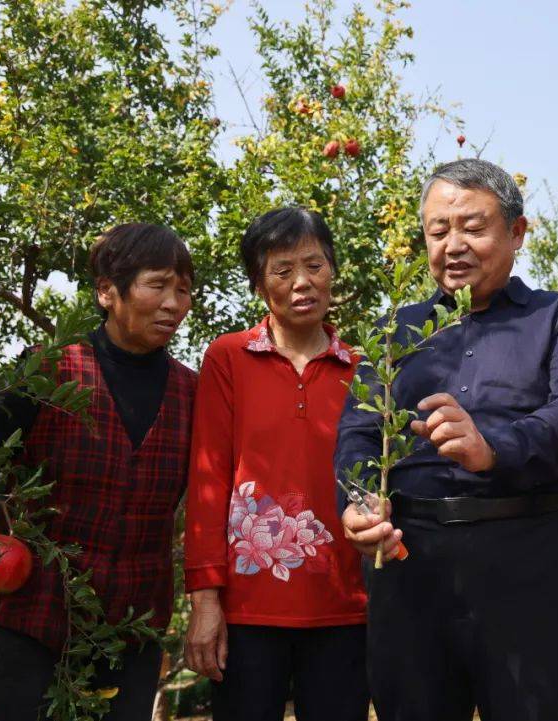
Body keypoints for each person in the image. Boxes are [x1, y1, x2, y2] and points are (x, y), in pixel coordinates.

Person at [335, 158, 558, 721]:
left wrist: (495, 447)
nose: (453, 245)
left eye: (473, 227)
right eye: (438, 231)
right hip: (411, 564)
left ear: (517, 232)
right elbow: (359, 432)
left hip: (528, 560)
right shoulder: (395, 333)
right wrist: (359, 501)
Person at [0, 223, 198, 721]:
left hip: (133, 632)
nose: (174, 304)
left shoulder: (193, 392)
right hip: (31, 623)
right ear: (106, 291)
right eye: (157, 285)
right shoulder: (46, 371)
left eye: (183, 290)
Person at [183, 208, 368, 721]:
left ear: (332, 270)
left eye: (314, 265)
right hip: (247, 610)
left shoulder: (365, 370)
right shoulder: (228, 358)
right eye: (282, 271)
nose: (302, 282)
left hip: (345, 605)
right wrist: (205, 601)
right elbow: (208, 481)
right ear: (259, 285)